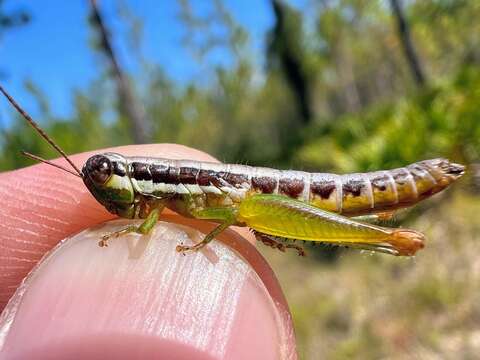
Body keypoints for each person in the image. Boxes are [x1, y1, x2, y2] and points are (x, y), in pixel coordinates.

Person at [0, 144, 297, 359]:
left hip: (279, 192)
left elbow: (229, 215)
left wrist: (202, 243)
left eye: (104, 174)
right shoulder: (161, 198)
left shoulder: (172, 188)